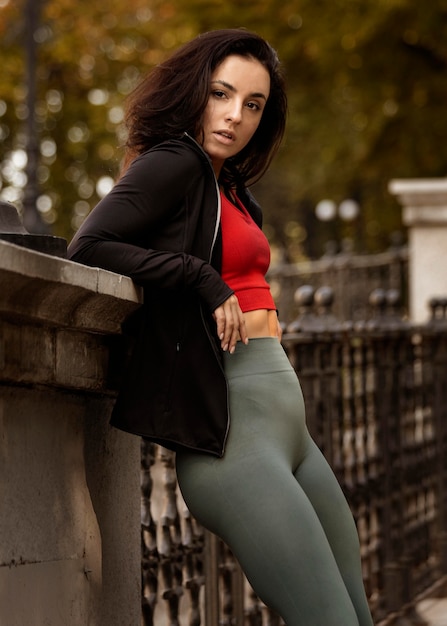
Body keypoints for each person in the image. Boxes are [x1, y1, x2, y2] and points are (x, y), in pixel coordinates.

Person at [68, 28, 374, 626]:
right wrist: (199, 278)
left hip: (287, 428)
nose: (235, 116)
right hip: (234, 438)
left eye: (253, 104)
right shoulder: (175, 163)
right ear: (194, 92)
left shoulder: (225, 183)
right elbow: (89, 247)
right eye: (221, 94)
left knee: (358, 614)